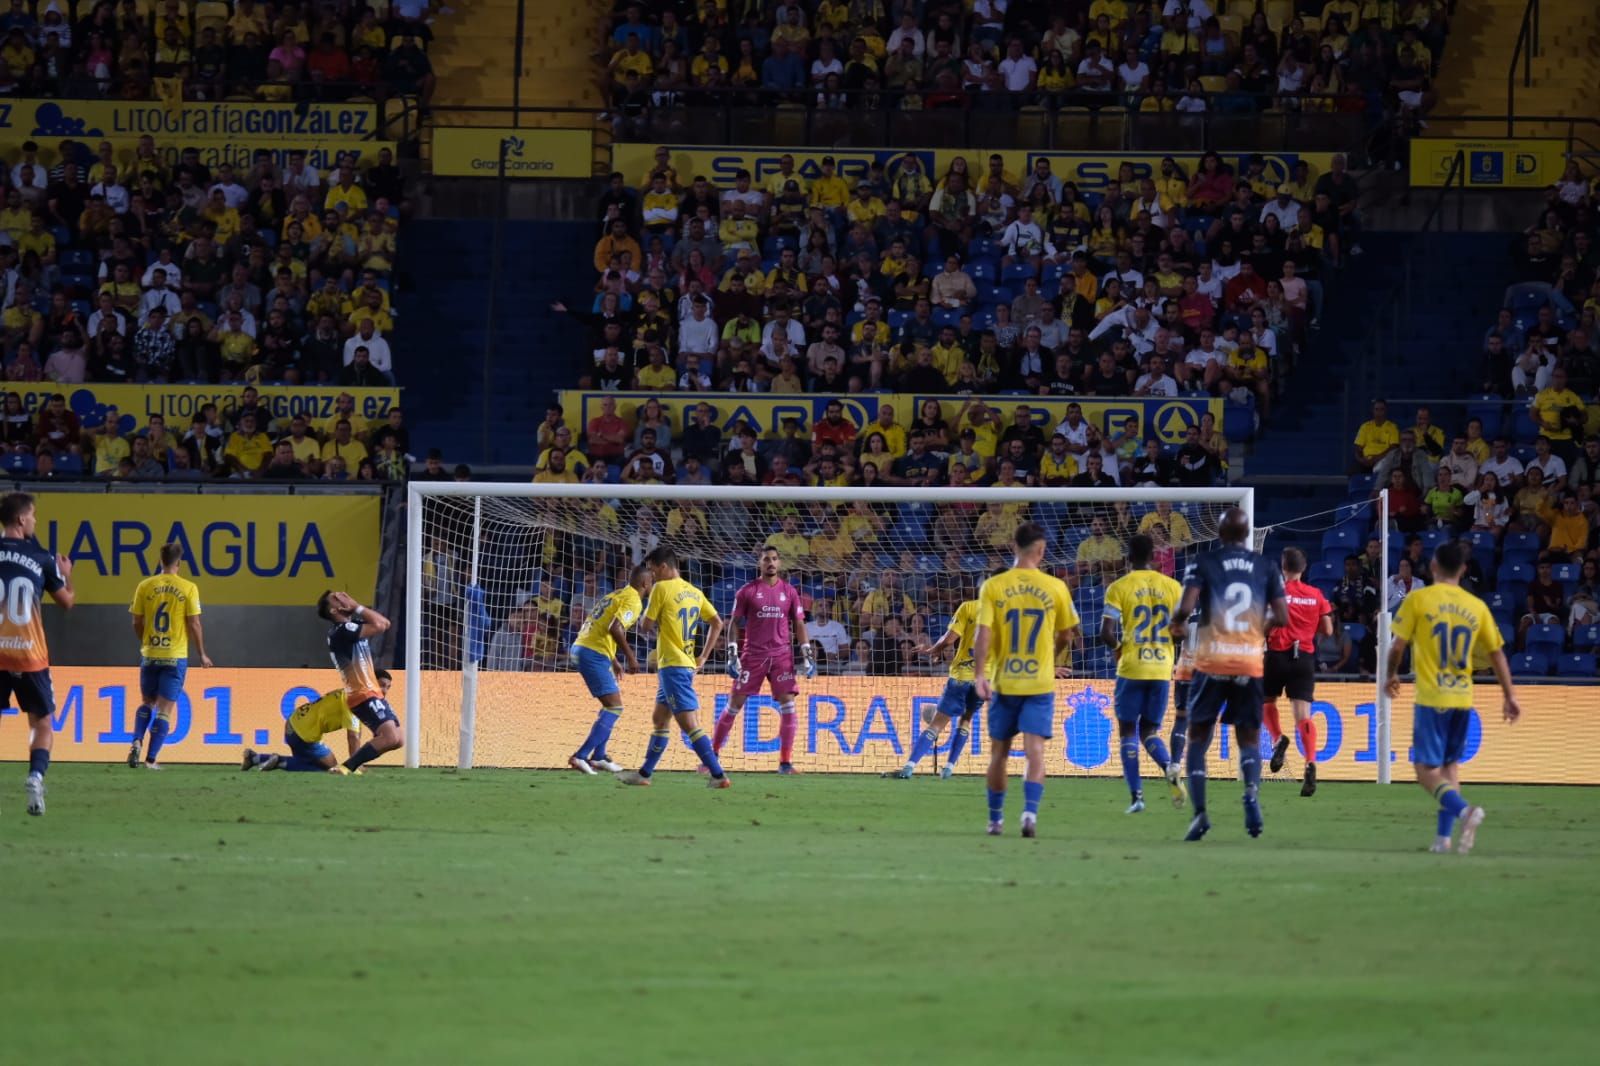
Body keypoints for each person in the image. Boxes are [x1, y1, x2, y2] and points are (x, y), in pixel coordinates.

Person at [1386, 542, 1522, 854]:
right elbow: (1497, 654)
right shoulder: (1476, 607)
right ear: (1462, 570)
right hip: (1463, 697)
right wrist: (1509, 695)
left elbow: (1397, 647)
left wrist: (1391, 676)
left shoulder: (1419, 599)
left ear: (1432, 566)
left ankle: (1465, 812)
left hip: (1433, 697)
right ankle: (1443, 839)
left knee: (1424, 770)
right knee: (1450, 768)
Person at [1169, 507, 1288, 842]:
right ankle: (1250, 793)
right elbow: (1282, 615)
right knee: (1248, 739)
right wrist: (1256, 630)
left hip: (1210, 664)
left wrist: (1177, 623)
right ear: (1248, 533)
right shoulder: (1266, 566)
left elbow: (1187, 604)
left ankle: (1201, 815)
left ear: (1219, 534)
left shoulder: (1204, 563)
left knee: (1197, 739)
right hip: (1249, 663)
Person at [973, 522, 1079, 837]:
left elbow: (984, 634)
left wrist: (979, 674)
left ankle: (995, 820)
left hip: (1005, 682)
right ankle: (1029, 815)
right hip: (1039, 684)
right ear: (1042, 550)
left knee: (999, 754)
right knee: (1035, 752)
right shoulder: (1056, 587)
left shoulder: (993, 586)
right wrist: (1050, 657)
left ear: (1012, 547)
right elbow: (1066, 634)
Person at [616, 546, 729, 787]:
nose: (652, 576)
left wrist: (639, 605)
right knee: (659, 718)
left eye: (654, 570)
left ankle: (718, 775)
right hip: (684, 664)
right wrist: (704, 656)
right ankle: (644, 774)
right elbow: (718, 622)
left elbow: (646, 626)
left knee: (689, 725)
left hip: (673, 666)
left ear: (664, 567)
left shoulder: (661, 588)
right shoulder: (694, 591)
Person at [0, 492, 74, 815]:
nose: (34, 521)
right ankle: (34, 776)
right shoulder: (42, 557)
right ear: (21, 520)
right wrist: (65, 572)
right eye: (33, 517)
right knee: (42, 721)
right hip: (30, 655)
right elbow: (66, 602)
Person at [1101, 534, 1186, 813]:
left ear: (1128, 558)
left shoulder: (1118, 587)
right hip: (1162, 667)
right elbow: (1181, 631)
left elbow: (1106, 633)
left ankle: (1137, 796)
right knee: (1149, 730)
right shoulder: (1173, 587)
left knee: (1128, 729)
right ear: (1154, 556)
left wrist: (1118, 648)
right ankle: (1169, 767)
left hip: (1132, 665)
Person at [711, 545, 813, 774]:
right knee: (734, 705)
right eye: (767, 559)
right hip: (753, 656)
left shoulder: (790, 592)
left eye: (775, 559)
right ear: (760, 563)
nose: (771, 563)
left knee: (789, 705)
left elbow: (799, 624)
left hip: (781, 656)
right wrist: (732, 654)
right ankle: (712, 757)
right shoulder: (747, 591)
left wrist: (806, 655)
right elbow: (734, 624)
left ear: (779, 563)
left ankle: (785, 763)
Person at [889, 579, 990, 780]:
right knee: (966, 721)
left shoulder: (969, 607)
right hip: (984, 679)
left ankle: (909, 767)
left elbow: (949, 639)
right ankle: (948, 769)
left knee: (936, 724)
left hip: (961, 675)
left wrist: (932, 650)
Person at [126, 543, 212, 770]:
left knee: (147, 703)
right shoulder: (188, 588)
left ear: (160, 560)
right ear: (179, 563)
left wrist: (145, 641)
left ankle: (136, 740)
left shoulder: (145, 586)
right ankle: (151, 760)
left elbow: (136, 621)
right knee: (164, 710)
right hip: (175, 656)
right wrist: (202, 653)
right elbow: (194, 623)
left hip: (150, 654)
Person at [567, 564, 653, 775]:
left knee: (610, 706)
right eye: (652, 581)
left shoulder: (615, 594)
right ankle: (581, 756)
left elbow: (600, 625)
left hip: (585, 647)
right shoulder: (633, 600)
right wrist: (631, 658)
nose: (654, 585)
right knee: (615, 707)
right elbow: (614, 627)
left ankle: (599, 756)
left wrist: (614, 659)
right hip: (592, 653)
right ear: (644, 583)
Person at [1262, 547, 1334, 797]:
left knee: (1265, 700)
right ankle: (1311, 762)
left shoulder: (1277, 591)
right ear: (1304, 569)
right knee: (1303, 715)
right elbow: (1327, 630)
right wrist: (1306, 628)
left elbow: (1270, 620)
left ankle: (1277, 739)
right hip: (1303, 657)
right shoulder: (1316, 595)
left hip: (1277, 654)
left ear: (1284, 567)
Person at [313, 590, 402, 773]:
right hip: (362, 694)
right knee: (390, 737)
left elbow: (384, 623)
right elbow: (380, 625)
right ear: (333, 611)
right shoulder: (341, 631)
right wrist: (356, 606)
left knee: (397, 739)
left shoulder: (350, 628)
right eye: (336, 599)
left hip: (372, 693)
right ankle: (347, 768)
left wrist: (356, 608)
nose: (343, 598)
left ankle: (350, 766)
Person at [245, 671, 394, 773]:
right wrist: (356, 765)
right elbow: (353, 737)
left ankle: (254, 758)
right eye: (381, 685)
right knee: (331, 767)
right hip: (304, 734)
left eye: (388, 687)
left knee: (308, 761)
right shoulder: (356, 701)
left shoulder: (349, 692)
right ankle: (279, 761)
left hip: (293, 723)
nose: (385, 690)